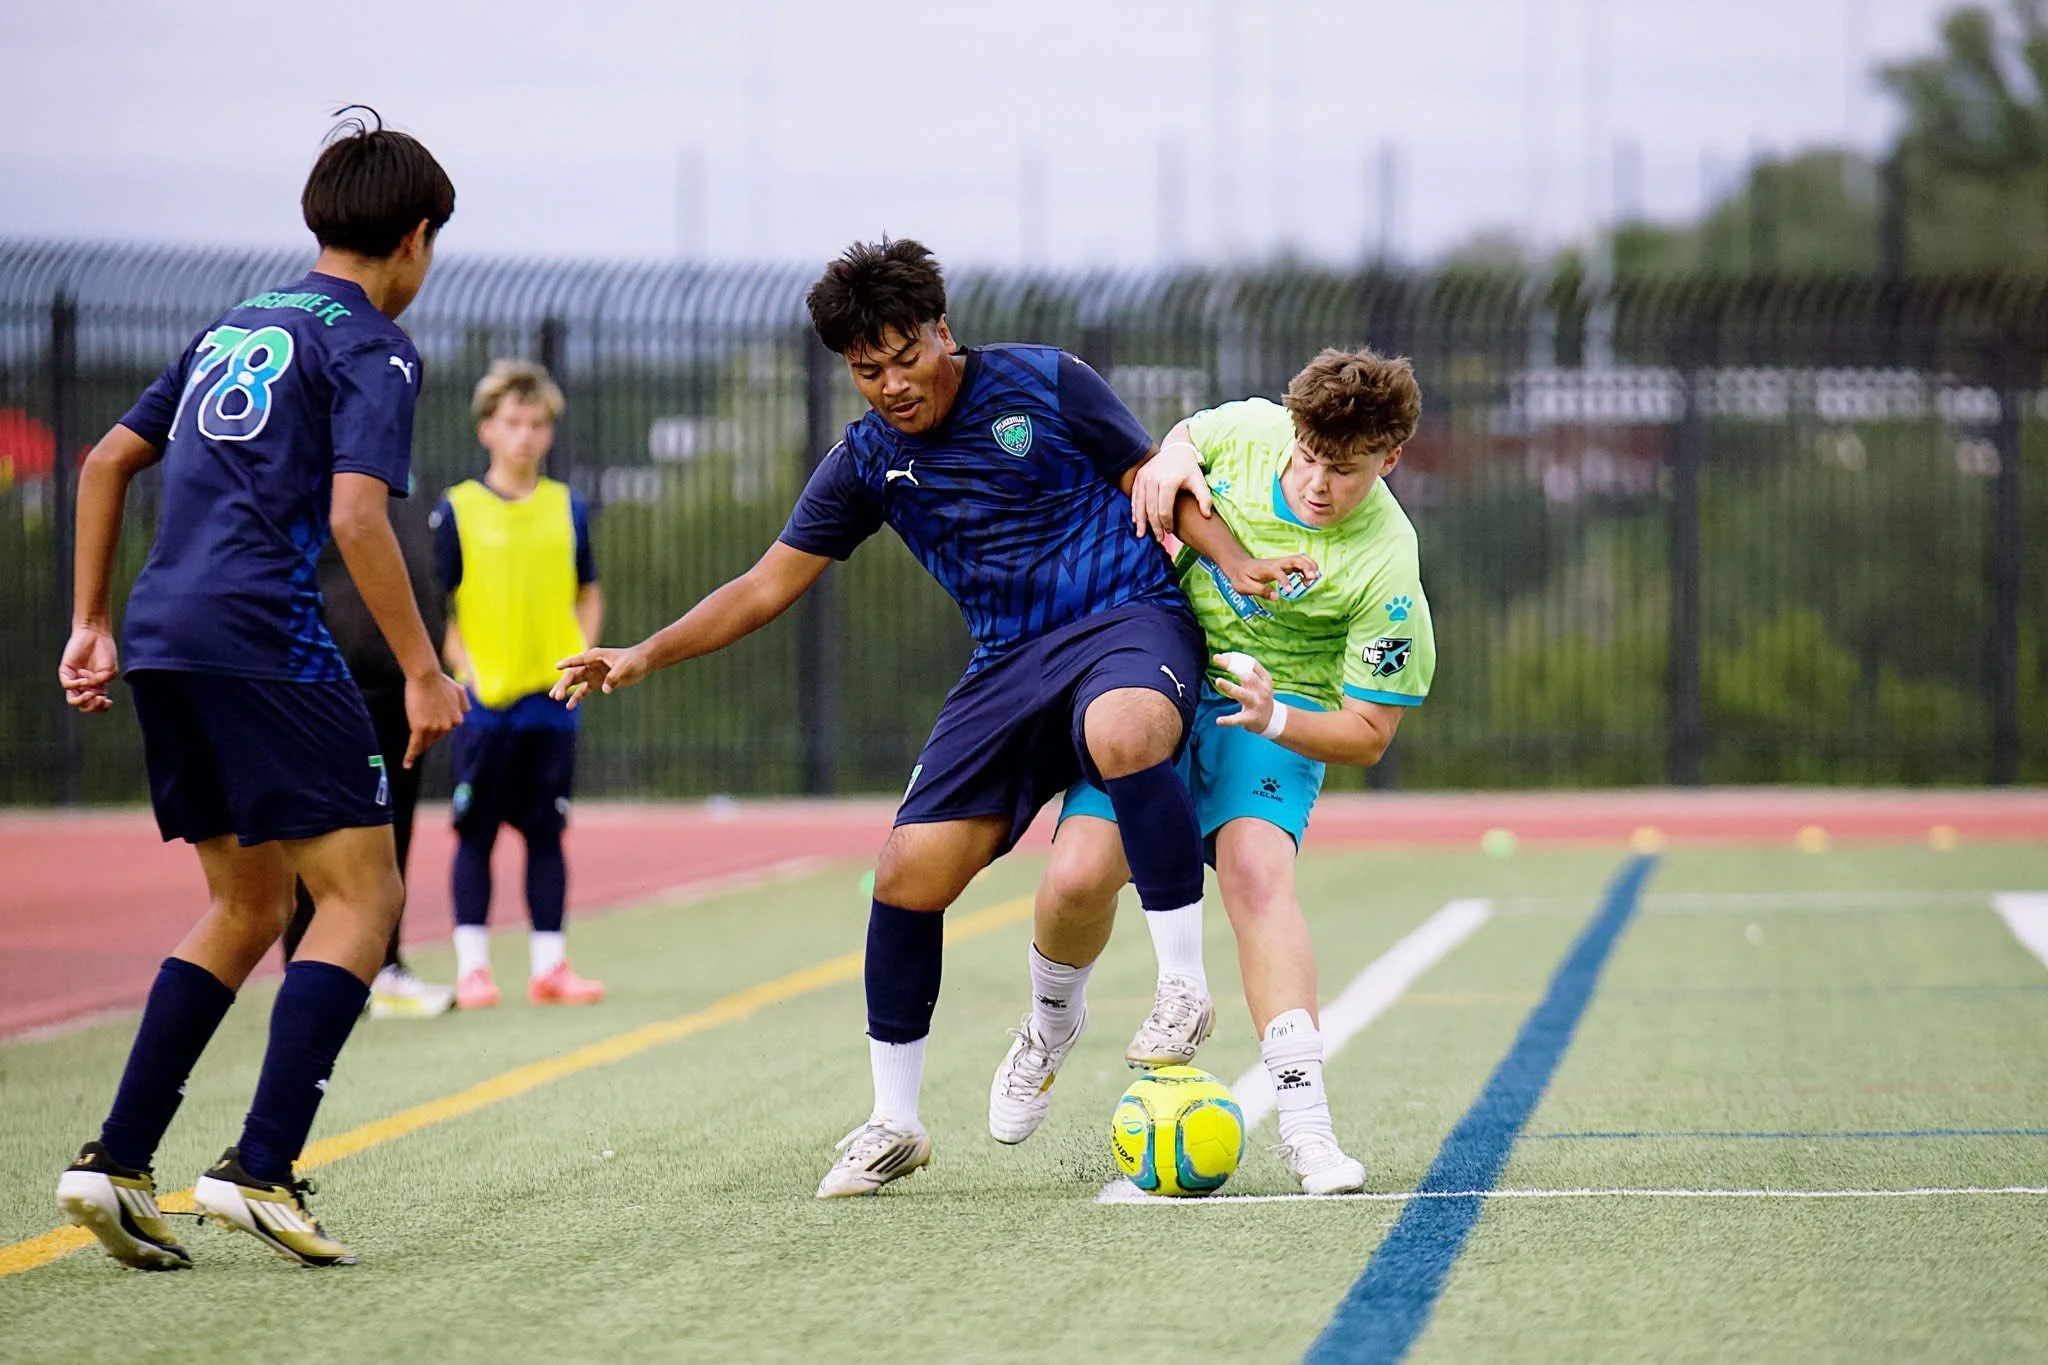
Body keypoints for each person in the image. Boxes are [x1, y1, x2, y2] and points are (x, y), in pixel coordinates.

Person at [553, 238, 1308, 1198]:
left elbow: (1154, 484)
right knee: (906, 874)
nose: (892, 383)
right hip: (1006, 665)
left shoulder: (1045, 382)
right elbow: (764, 584)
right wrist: (641, 652)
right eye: (867, 370)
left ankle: (1180, 986)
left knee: (1124, 732)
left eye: (904, 356)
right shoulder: (867, 461)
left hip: (1125, 616)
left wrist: (1237, 562)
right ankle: (895, 1119)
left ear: (942, 331)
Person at [54, 108, 466, 1269]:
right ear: (416, 239)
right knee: (361, 898)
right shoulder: (372, 344)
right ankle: (262, 1166)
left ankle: (113, 1158)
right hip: (262, 636)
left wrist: (90, 623)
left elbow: (104, 461)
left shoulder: (234, 325)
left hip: (165, 634)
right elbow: (355, 515)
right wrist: (426, 673)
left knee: (245, 905)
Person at [986, 348, 1436, 1196]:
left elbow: (1371, 733)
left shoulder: (1388, 566)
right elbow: (1191, 434)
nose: (1314, 484)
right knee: (1077, 875)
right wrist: (1175, 453)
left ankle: (1307, 1130)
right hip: (1168, 673)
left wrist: (1279, 718)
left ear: (1390, 459)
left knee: (1259, 877)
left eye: (1342, 470)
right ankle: (1050, 1027)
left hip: (1280, 710)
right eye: (1307, 456)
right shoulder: (1252, 431)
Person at [432, 360, 606, 1009]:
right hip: (485, 703)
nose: (525, 436)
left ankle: (550, 965)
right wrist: (464, 670)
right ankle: (473, 966)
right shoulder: (457, 508)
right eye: (512, 422)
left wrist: (583, 650)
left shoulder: (568, 506)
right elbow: (440, 604)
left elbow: (588, 591)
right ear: (487, 429)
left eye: (536, 424)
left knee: (545, 832)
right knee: (474, 832)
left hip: (551, 703)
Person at [279, 484, 456, 1020]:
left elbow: (436, 583)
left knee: (391, 833)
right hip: (331, 684)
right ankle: (310, 971)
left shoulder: (412, 493)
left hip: (401, 689)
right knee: (320, 833)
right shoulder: (325, 487)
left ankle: (383, 968)